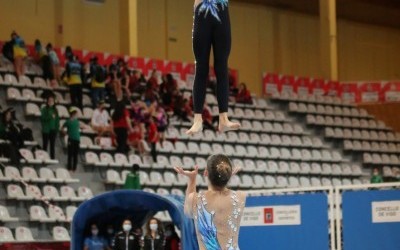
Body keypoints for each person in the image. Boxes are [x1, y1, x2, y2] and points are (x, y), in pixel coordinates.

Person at [187, 0, 241, 135]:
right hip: (201, 13)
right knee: (201, 68)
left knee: (222, 67)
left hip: (221, 13)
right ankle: (197, 119)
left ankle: (223, 118)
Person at [174, 154, 246, 250]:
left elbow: (188, 212)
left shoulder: (196, 199)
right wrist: (226, 176)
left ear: (206, 173)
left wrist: (192, 179)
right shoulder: (240, 197)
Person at [62, 107, 88, 173]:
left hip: (77, 139)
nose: (77, 115)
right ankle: (69, 168)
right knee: (70, 154)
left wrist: (83, 127)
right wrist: (65, 133)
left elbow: (83, 127)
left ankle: (74, 168)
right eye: (76, 114)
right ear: (73, 114)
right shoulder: (68, 122)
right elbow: (62, 127)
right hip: (71, 139)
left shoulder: (77, 122)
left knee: (75, 154)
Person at [40, 95, 60, 159]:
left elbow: (57, 120)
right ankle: (43, 158)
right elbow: (42, 119)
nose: (51, 102)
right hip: (46, 130)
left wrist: (57, 129)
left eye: (52, 100)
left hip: (53, 130)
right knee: (45, 145)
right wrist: (50, 116)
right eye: (50, 100)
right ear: (47, 101)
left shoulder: (55, 110)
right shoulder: (44, 109)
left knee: (52, 145)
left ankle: (52, 158)